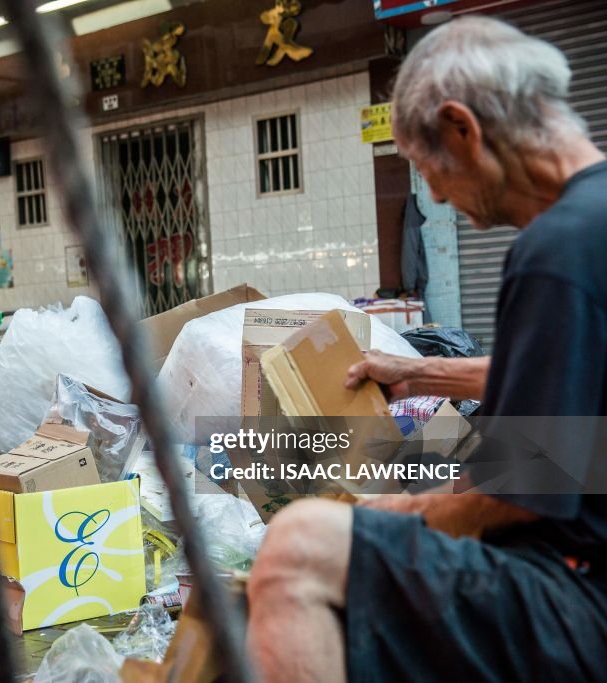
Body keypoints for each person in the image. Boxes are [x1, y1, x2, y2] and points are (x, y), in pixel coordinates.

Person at [246, 16, 607, 681]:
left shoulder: (556, 251)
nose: (436, 194)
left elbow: (527, 490)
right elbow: (570, 380)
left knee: (298, 547)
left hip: (580, 594)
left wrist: (393, 510)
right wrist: (418, 371)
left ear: (462, 127)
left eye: (427, 166)